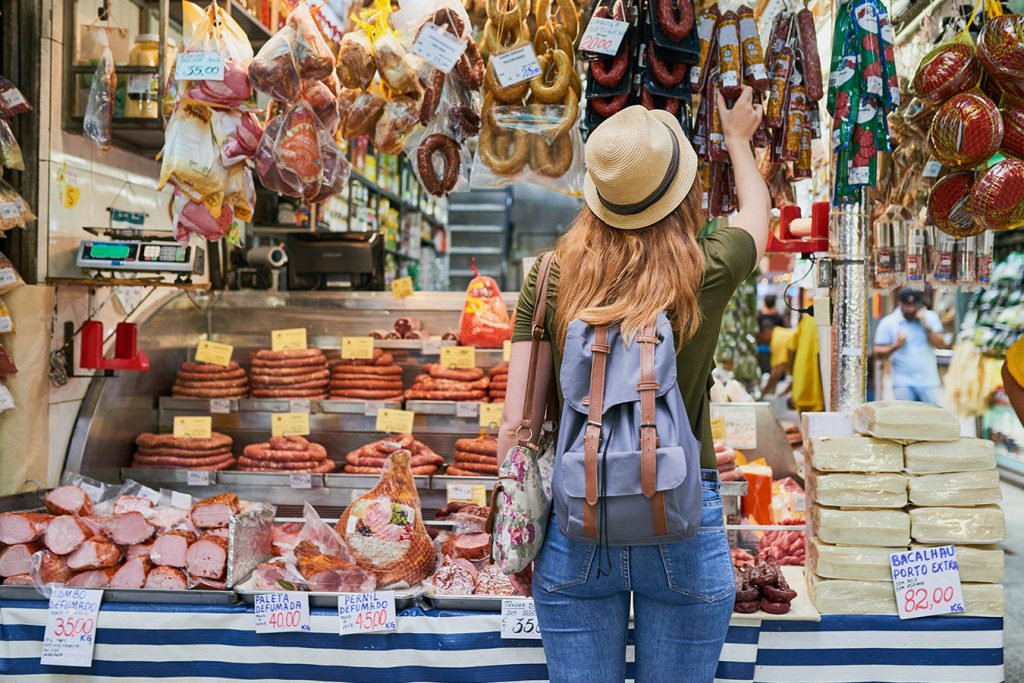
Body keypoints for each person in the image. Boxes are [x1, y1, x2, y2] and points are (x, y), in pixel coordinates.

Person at [498, 88, 769, 683]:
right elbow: (757, 216)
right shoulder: (706, 268)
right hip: (683, 521)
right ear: (677, 194)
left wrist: (518, 524)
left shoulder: (548, 278)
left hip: (576, 521)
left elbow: (513, 427)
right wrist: (740, 141)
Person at [874, 288, 948, 404]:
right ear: (899, 303)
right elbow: (878, 353)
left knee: (932, 419)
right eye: (907, 306)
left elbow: (941, 344)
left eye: (914, 306)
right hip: (902, 382)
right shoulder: (889, 322)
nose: (910, 310)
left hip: (928, 381)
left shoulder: (930, 317)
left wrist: (926, 326)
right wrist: (896, 345)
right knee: (905, 419)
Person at [787, 311, 824, 412]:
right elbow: (820, 356)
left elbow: (791, 349)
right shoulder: (823, 322)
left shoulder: (806, 320)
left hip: (801, 386)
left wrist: (793, 376)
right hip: (817, 392)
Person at [760, 319, 796, 395]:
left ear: (765, 332)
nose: (760, 341)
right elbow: (797, 377)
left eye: (759, 336)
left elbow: (776, 373)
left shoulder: (777, 339)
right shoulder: (781, 333)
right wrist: (784, 393)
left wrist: (763, 394)